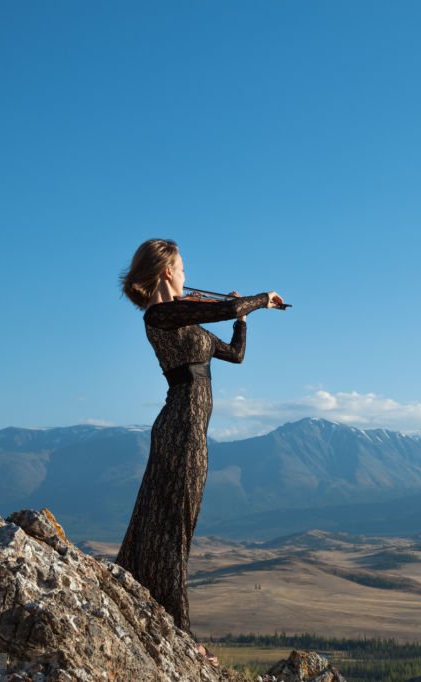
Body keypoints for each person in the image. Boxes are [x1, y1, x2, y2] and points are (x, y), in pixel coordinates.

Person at [116, 238, 283, 664]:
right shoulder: (162, 315)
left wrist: (243, 317)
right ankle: (181, 631)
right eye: (183, 268)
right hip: (178, 431)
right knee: (171, 526)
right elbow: (227, 309)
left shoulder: (186, 321)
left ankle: (145, 604)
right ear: (167, 270)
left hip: (192, 434)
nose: (188, 276)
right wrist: (259, 299)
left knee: (174, 523)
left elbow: (236, 354)